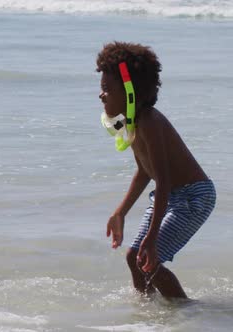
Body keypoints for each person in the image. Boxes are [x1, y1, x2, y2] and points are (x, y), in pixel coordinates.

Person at [98, 42, 216, 298]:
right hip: (170, 196)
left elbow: (162, 181)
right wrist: (121, 213)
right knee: (134, 258)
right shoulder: (131, 125)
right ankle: (148, 316)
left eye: (107, 89)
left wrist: (151, 239)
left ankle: (186, 313)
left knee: (148, 260)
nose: (101, 95)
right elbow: (144, 172)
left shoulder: (149, 122)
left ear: (130, 91)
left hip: (193, 196)